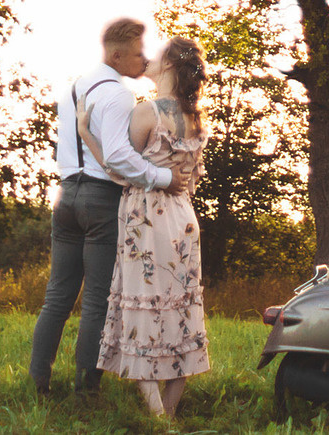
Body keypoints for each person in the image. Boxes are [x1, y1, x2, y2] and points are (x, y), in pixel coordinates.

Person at [29, 16, 179, 400]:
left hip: (66, 195)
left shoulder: (74, 87)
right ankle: (86, 391)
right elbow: (116, 155)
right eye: (137, 54)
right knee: (97, 297)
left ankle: (38, 383)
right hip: (99, 198)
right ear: (116, 55)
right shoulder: (117, 94)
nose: (143, 61)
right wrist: (162, 178)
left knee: (57, 295)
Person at [99, 34, 209, 419]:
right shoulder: (196, 119)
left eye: (155, 54)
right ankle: (171, 411)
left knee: (143, 310)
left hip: (146, 217)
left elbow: (117, 169)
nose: (146, 57)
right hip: (183, 218)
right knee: (181, 309)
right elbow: (191, 181)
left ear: (168, 66)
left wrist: (85, 134)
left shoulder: (147, 113)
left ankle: (159, 418)